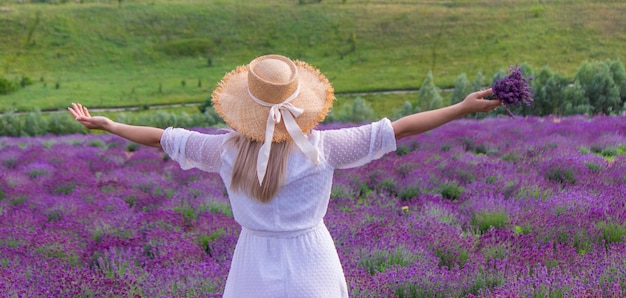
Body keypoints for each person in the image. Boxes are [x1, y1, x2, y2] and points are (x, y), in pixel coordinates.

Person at [68, 54, 501, 297]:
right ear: (299, 105)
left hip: (253, 262)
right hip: (312, 260)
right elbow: (402, 127)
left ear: (244, 108)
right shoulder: (325, 147)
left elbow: (163, 137)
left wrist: (110, 125)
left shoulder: (225, 150)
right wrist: (462, 107)